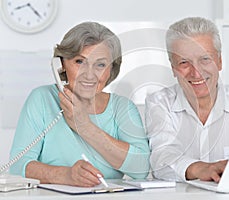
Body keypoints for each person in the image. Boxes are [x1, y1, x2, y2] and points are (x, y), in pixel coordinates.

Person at [10, 22, 150, 187]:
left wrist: (84, 125)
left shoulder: (122, 107)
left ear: (111, 69)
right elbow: (17, 166)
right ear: (60, 65)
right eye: (79, 62)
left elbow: (141, 169)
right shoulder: (41, 99)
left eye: (100, 65)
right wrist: (65, 175)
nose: (89, 75)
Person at [145, 17, 229, 183]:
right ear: (173, 68)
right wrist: (201, 168)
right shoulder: (160, 103)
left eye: (205, 59)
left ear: (220, 61)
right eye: (184, 62)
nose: (196, 73)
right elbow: (161, 159)